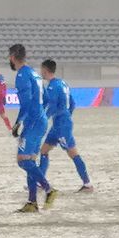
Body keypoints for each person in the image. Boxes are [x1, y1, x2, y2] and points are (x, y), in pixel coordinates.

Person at [9, 43, 55, 213]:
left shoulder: (22, 75)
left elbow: (26, 103)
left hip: (33, 122)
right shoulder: (34, 74)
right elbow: (47, 99)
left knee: (22, 160)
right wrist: (41, 115)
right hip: (40, 120)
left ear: (12, 57)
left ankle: (48, 189)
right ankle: (32, 202)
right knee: (30, 160)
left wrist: (18, 122)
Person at [39, 59, 93, 193]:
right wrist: (66, 116)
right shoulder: (63, 83)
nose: (40, 72)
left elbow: (51, 106)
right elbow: (72, 103)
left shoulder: (52, 86)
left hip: (62, 126)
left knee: (73, 153)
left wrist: (44, 120)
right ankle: (40, 182)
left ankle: (87, 184)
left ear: (45, 70)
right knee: (44, 150)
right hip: (59, 124)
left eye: (41, 69)